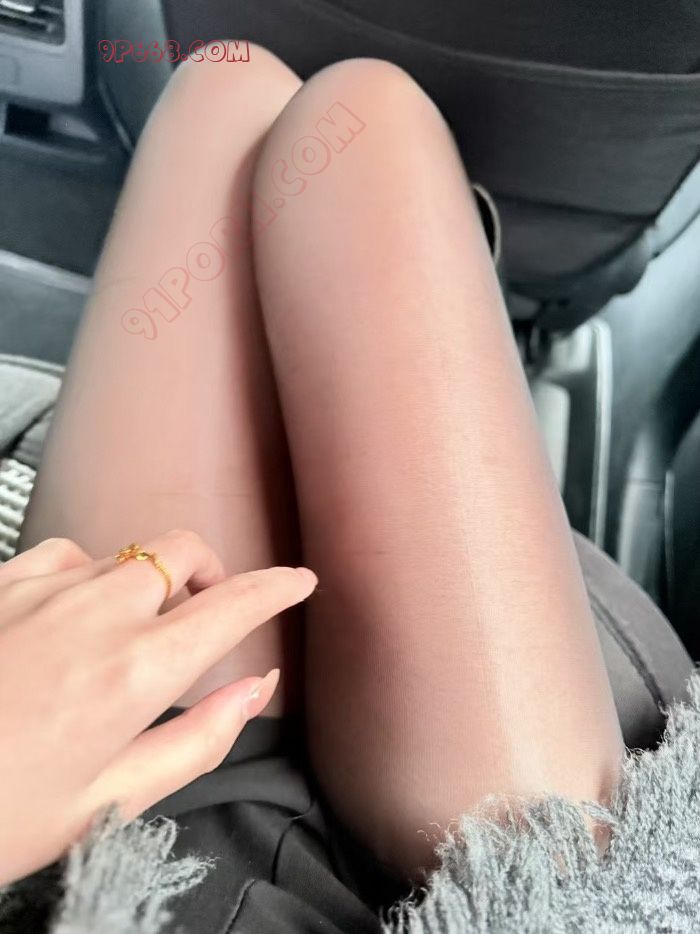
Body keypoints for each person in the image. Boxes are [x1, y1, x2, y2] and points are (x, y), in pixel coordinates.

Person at [0, 46, 699, 933]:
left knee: (231, 85)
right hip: (492, 892)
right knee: (362, 114)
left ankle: (407, 297)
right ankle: (451, 286)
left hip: (99, 815)